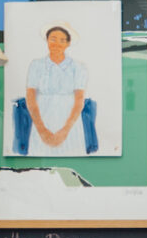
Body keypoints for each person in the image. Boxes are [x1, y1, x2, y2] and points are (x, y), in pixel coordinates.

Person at [14, 24, 97, 155]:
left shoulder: (79, 67)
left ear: (68, 43)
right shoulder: (36, 65)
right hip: (41, 119)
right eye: (53, 39)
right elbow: (30, 97)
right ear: (47, 40)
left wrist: (64, 131)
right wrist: (42, 130)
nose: (57, 44)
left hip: (70, 123)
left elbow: (79, 100)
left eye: (62, 40)